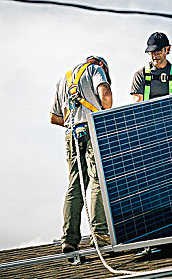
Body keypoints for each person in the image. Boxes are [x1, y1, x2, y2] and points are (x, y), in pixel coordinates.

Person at [50, 55, 112, 253]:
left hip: (72, 135)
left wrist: (72, 123)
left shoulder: (63, 79)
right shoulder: (96, 70)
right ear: (101, 65)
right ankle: (100, 235)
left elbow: (54, 117)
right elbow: (106, 97)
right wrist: (103, 110)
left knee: (74, 185)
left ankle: (69, 239)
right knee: (96, 181)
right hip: (91, 129)